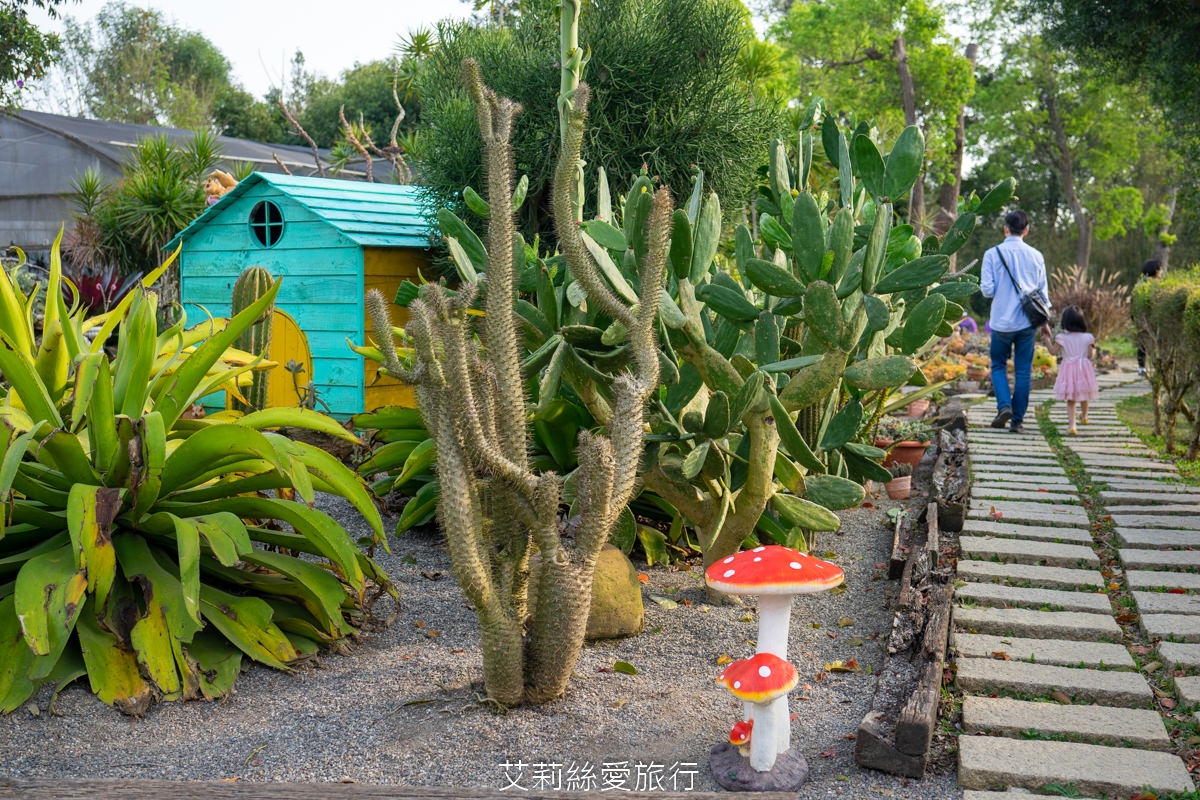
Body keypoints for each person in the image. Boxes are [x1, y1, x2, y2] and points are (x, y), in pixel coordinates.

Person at [980, 209, 1052, 434]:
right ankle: (1017, 421)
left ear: (1005, 228)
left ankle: (1004, 406)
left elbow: (987, 290)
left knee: (998, 366)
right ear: (1027, 230)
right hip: (1027, 324)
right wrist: (1045, 321)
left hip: (1001, 322)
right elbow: (1043, 293)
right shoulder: (1036, 255)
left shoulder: (992, 254)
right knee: (1023, 371)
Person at [1046, 306, 1099, 435]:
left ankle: (1072, 425)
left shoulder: (1062, 338)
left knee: (1071, 398)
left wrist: (1047, 340)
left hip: (1069, 369)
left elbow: (1053, 352)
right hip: (1083, 368)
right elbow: (1090, 355)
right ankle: (1085, 416)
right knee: (1084, 393)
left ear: (1065, 322)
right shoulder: (1088, 337)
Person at [1136, 258, 1161, 376]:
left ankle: (1142, 367)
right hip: (1149, 318)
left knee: (1143, 343)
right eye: (1160, 269)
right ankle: (1146, 367)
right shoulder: (1148, 284)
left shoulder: (1139, 283)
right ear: (1155, 270)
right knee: (1147, 343)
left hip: (1142, 319)